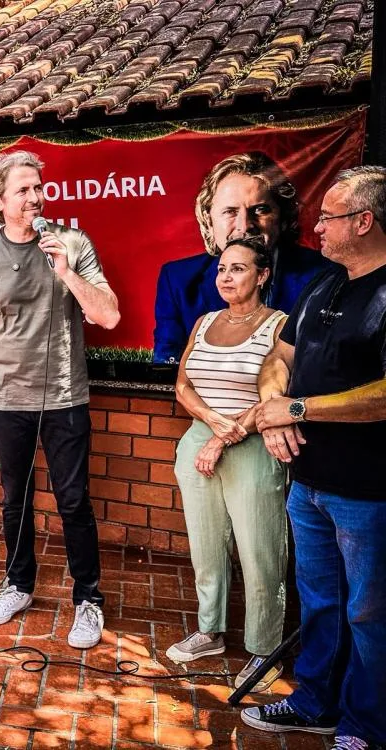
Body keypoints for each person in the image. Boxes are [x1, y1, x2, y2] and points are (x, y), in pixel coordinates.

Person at [243, 166, 386, 750]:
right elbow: (279, 357)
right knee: (321, 603)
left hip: (368, 492)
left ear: (364, 220)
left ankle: (364, 725)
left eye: (329, 217)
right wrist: (274, 404)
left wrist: (297, 411)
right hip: (309, 485)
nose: (318, 227)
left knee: (370, 616)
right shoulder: (324, 285)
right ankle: (313, 702)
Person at [0, 151, 120, 649]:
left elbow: (108, 317)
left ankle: (88, 599)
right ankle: (20, 584)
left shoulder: (71, 242)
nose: (35, 197)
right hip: (7, 400)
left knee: (73, 501)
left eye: (38, 187)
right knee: (14, 502)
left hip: (66, 396)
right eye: (23, 190)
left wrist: (67, 272)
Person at [167, 237, 288, 692]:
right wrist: (213, 424)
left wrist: (226, 434)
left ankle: (264, 650)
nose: (227, 277)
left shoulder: (279, 326)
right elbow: (182, 386)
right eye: (222, 270)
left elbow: (274, 395)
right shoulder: (204, 321)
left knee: (260, 551)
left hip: (253, 443)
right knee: (206, 545)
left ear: (262, 275)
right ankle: (210, 630)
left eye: (238, 269)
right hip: (202, 438)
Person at [153, 151, 335, 364]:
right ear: (209, 221)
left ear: (283, 218)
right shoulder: (177, 280)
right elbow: (165, 364)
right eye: (230, 211)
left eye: (260, 210)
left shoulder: (325, 275)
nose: (244, 225)